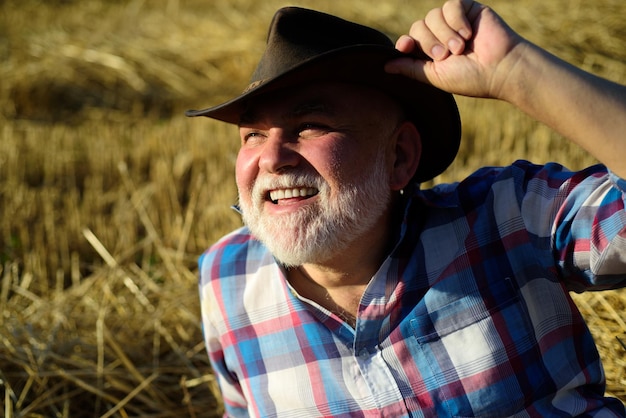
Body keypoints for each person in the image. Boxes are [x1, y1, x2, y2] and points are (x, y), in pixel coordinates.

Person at [186, 0, 626, 416]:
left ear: (398, 157)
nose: (271, 157)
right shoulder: (225, 278)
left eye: (309, 126)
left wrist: (517, 71)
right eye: (253, 135)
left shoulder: (508, 218)